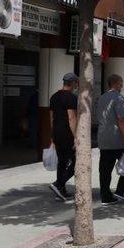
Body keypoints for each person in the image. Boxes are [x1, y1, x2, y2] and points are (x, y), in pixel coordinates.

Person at [96, 74, 124, 204]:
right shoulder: (119, 98)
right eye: (121, 83)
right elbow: (122, 119)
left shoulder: (102, 98)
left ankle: (105, 195)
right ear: (117, 84)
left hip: (103, 139)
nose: (122, 86)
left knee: (105, 169)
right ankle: (122, 190)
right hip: (119, 139)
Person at [48, 72, 79, 202]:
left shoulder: (54, 96)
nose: (77, 85)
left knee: (62, 161)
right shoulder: (71, 98)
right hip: (67, 134)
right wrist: (76, 137)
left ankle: (60, 190)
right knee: (77, 162)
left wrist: (53, 134)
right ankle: (59, 184)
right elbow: (71, 117)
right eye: (76, 83)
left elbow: (51, 117)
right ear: (72, 83)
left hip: (57, 132)